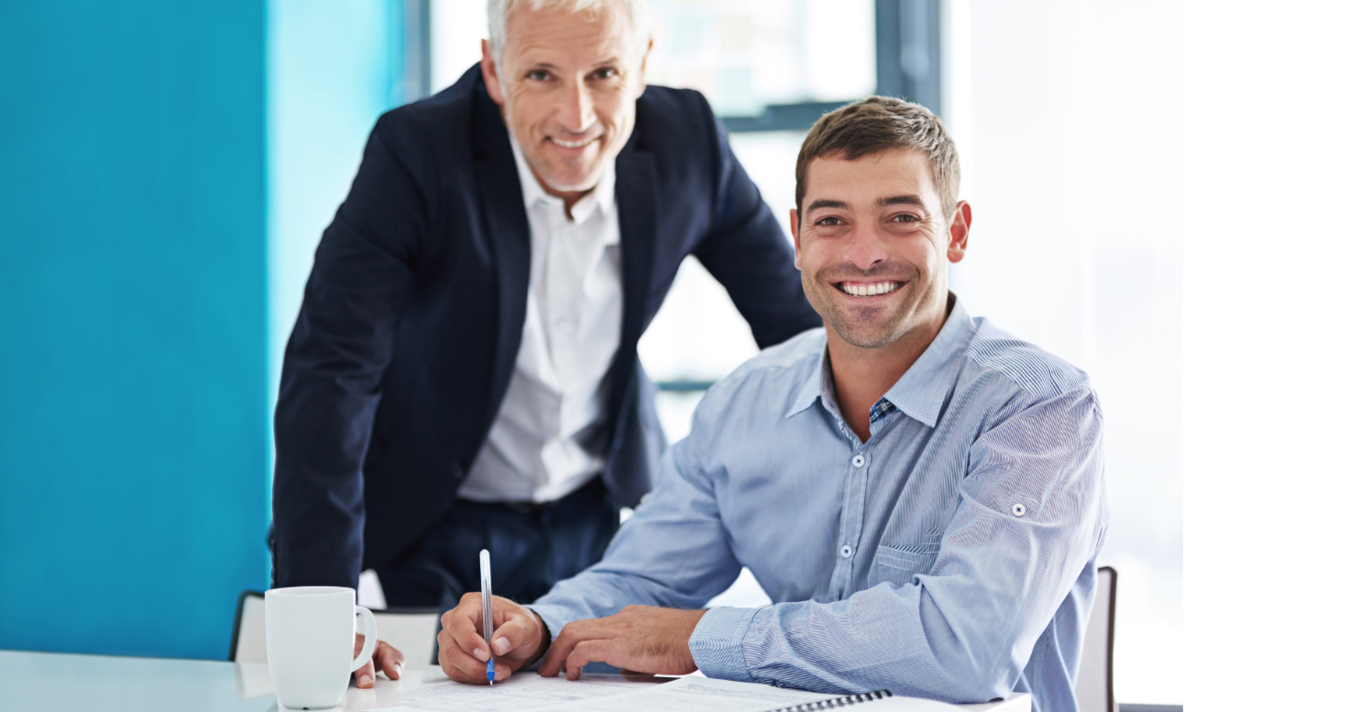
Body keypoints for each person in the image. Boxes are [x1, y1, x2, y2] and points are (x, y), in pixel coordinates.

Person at [435, 97, 1109, 712]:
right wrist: (540, 622)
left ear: (956, 230)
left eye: (901, 218)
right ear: (797, 236)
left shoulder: (1040, 407)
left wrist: (703, 638)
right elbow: (646, 577)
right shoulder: (742, 404)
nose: (864, 252)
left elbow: (967, 646)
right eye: (831, 221)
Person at [270, 0, 821, 685]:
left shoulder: (688, 143)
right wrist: (322, 610)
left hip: (595, 511)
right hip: (434, 510)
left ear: (644, 61)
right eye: (541, 74)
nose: (578, 115)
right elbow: (331, 372)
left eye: (604, 74)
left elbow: (803, 332)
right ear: (493, 68)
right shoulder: (417, 154)